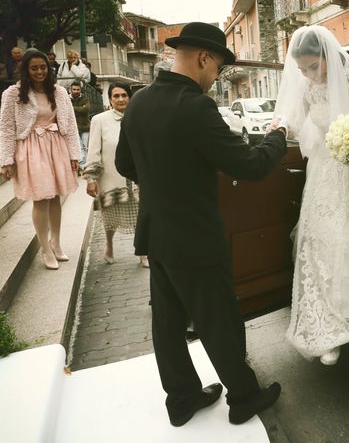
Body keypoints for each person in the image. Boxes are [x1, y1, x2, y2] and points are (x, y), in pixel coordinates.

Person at [115, 22, 286, 426]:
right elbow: (250, 164)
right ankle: (243, 397)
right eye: (217, 69)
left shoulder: (138, 102)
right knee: (218, 319)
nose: (215, 78)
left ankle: (182, 399)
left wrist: (165, 181)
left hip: (157, 233)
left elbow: (125, 164)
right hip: (194, 236)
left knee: (168, 323)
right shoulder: (194, 106)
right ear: (204, 58)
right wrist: (277, 137)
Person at [273, 25, 349, 365]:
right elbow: (297, 123)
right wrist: (279, 127)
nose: (308, 75)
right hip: (321, 170)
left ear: (327, 57)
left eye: (312, 66)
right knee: (316, 240)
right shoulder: (308, 90)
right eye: (303, 69)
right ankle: (323, 316)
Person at [0, 48, 81, 270]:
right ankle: (44, 247)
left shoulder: (58, 92)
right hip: (31, 148)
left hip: (56, 146)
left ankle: (56, 241)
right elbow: (6, 128)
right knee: (41, 198)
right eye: (34, 68)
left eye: (43, 67)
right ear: (26, 69)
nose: (39, 72)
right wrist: (6, 160)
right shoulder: (12, 94)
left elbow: (71, 125)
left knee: (55, 197)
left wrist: (74, 154)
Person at [83, 83, 148, 268]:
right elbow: (94, 151)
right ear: (110, 99)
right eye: (116, 96)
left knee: (140, 216)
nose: (120, 99)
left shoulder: (139, 117)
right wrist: (91, 178)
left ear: (130, 97)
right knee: (110, 218)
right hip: (111, 178)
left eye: (124, 95)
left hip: (137, 178)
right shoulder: (99, 120)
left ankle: (143, 253)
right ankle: (109, 245)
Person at [69, 81, 90, 170]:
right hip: (75, 127)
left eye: (78, 89)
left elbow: (86, 109)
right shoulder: (67, 98)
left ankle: (87, 164)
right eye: (74, 89)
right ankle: (83, 166)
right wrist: (80, 109)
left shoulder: (85, 98)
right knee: (80, 147)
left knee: (86, 146)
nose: (76, 91)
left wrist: (73, 108)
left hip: (85, 127)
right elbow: (67, 111)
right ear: (70, 90)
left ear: (80, 90)